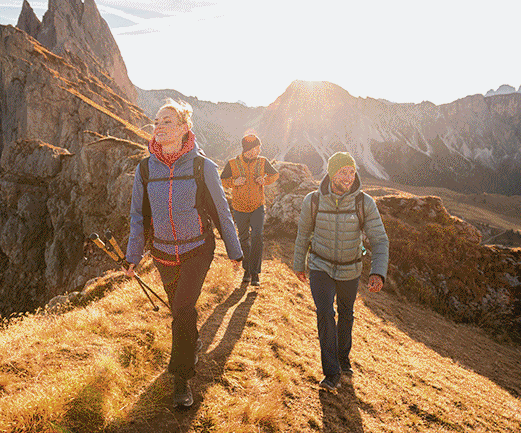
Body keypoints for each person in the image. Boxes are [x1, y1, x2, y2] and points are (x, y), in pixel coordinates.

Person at [125, 99, 243, 408]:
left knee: (183, 308)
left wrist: (234, 250)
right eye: (157, 121)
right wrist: (133, 256)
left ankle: (181, 378)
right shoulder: (145, 169)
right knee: (180, 312)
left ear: (183, 128)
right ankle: (192, 339)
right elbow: (138, 216)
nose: (159, 126)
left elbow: (221, 211)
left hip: (197, 250)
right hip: (163, 252)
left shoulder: (202, 166)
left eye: (167, 121)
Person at [292, 152, 389, 390]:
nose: (348, 177)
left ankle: (343, 358)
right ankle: (332, 372)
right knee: (325, 313)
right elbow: (303, 235)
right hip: (320, 266)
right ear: (331, 173)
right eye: (343, 172)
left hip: (350, 268)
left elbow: (379, 239)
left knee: (346, 314)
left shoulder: (364, 203)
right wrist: (299, 264)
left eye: (352, 172)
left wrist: (378, 272)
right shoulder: (313, 201)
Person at [220, 134, 279, 286]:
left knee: (257, 236)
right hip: (239, 207)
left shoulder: (262, 161)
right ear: (247, 149)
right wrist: (234, 182)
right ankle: (247, 270)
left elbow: (275, 174)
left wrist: (265, 180)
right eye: (255, 148)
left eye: (259, 148)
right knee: (244, 239)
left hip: (258, 206)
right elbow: (222, 180)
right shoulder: (232, 163)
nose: (258, 151)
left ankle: (255, 273)